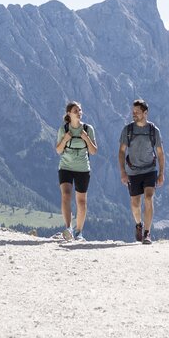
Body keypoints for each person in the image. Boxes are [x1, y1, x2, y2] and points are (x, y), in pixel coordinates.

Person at [118, 99, 165, 244]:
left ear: (145, 113)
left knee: (149, 197)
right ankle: (139, 224)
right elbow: (121, 152)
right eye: (133, 112)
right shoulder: (128, 130)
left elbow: (160, 153)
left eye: (137, 112)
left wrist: (161, 173)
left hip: (150, 170)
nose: (134, 114)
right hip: (132, 171)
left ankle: (147, 233)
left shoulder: (153, 131)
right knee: (135, 204)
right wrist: (123, 172)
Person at [56, 101, 97, 242]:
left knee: (81, 201)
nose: (79, 112)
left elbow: (93, 151)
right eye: (75, 110)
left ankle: (79, 232)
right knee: (66, 195)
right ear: (69, 113)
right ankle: (68, 228)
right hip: (65, 166)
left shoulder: (88, 128)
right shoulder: (64, 129)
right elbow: (58, 150)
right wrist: (65, 139)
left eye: (80, 110)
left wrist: (85, 137)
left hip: (83, 169)